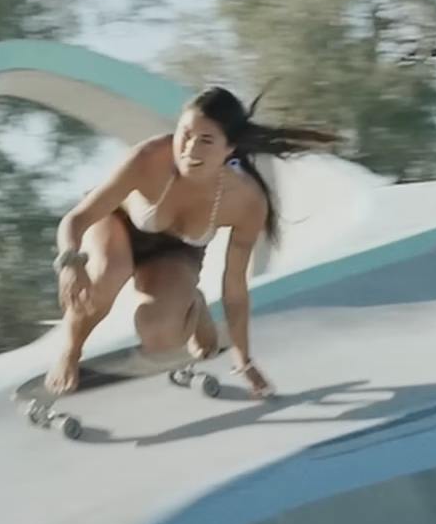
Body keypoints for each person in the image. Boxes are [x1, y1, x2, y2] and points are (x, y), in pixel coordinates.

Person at [47, 85, 338, 400]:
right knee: (108, 273)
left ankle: (192, 304)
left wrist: (243, 359)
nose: (190, 149)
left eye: (206, 140)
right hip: (116, 223)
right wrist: (70, 262)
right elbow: (76, 219)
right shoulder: (149, 159)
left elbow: (235, 289)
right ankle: (71, 351)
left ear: (229, 148)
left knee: (161, 337)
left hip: (174, 252)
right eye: (185, 134)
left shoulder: (245, 201)